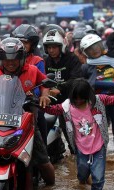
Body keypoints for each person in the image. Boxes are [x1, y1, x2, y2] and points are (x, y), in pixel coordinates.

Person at [0, 37, 55, 186]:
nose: (10, 62)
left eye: (14, 59)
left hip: (26, 122)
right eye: (6, 59)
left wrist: (45, 96)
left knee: (44, 163)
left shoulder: (32, 70)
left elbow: (44, 83)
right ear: (0, 59)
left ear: (21, 58)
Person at [44, 78, 114, 190]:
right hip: (80, 147)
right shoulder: (66, 107)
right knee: (82, 173)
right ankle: (83, 182)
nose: (79, 101)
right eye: (76, 98)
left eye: (82, 98)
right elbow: (52, 110)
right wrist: (40, 103)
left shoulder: (98, 101)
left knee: (98, 178)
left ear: (87, 96)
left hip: (98, 146)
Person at [80, 33, 114, 153]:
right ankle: (100, 155)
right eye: (90, 49)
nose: (95, 51)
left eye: (96, 46)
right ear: (86, 52)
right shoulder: (86, 67)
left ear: (101, 45)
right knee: (99, 130)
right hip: (99, 102)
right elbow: (83, 85)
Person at [43, 28, 83, 159]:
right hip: (51, 101)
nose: (51, 50)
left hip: (71, 101)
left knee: (70, 129)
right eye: (49, 47)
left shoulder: (72, 59)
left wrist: (60, 88)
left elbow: (76, 79)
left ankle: (76, 154)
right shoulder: (45, 61)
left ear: (62, 46)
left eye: (54, 47)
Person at [11, 24, 48, 151]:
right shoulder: (8, 60)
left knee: (40, 116)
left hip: (31, 102)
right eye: (19, 42)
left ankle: (44, 149)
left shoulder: (37, 61)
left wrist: (34, 93)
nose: (21, 45)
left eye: (25, 43)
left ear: (31, 45)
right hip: (11, 103)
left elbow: (42, 83)